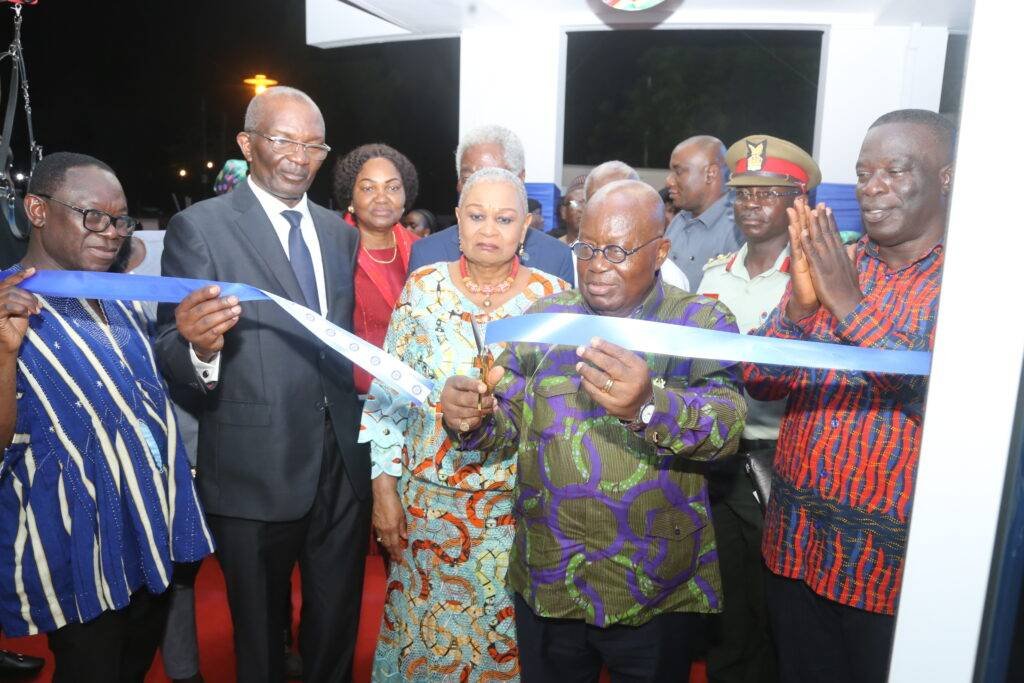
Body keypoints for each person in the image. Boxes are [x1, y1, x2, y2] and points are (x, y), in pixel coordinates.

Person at [439, 179, 746, 681]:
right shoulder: (546, 320)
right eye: (586, 247)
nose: (598, 264)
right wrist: (473, 419)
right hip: (552, 574)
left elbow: (727, 428)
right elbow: (506, 424)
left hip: (653, 584)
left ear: (661, 251)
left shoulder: (698, 323)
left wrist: (650, 406)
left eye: (618, 250)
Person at [155, 86, 369, 683]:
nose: (299, 156)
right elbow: (166, 347)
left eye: (313, 144)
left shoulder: (339, 234)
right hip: (253, 468)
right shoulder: (199, 228)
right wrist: (199, 345)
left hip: (342, 463)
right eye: (282, 139)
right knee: (259, 641)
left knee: (336, 623)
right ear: (248, 144)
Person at [742, 109, 955, 683]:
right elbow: (759, 379)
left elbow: (940, 403)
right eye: (863, 172)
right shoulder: (839, 258)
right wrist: (802, 308)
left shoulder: (969, 284)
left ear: (946, 178)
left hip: (888, 573)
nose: (873, 186)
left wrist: (849, 305)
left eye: (894, 170)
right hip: (795, 546)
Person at [0, 152, 214, 681]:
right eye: (92, 215)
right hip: (78, 544)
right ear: (37, 209)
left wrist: (194, 344)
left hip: (152, 528)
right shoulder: (5, 301)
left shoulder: (118, 297)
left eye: (120, 219)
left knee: (132, 669)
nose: (111, 232)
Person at [364, 167, 570, 681]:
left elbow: (562, 417)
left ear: (527, 227)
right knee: (425, 644)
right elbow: (387, 399)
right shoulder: (423, 288)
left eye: (504, 219)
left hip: (516, 514)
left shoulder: (555, 300)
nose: (489, 230)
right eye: (476, 216)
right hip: (427, 509)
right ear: (457, 220)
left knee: (505, 651)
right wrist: (383, 491)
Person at [697, 135, 821, 683]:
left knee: (778, 606)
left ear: (798, 202)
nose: (750, 205)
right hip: (719, 460)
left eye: (767, 194)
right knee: (725, 602)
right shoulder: (715, 274)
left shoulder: (815, 279)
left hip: (784, 460)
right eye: (743, 193)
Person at [408, 124, 575, 284]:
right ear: (458, 182)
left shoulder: (556, 258)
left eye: (495, 177)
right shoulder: (426, 255)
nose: (482, 188)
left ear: (521, 179)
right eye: (469, 179)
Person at [332, 143, 420, 395]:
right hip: (351, 398)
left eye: (392, 187)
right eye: (368, 188)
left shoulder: (424, 252)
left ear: (405, 197)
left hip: (415, 399)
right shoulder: (331, 250)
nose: (382, 197)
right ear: (351, 198)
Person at [583, 161, 690, 292]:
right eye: (597, 201)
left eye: (620, 202)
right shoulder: (565, 263)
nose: (598, 265)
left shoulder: (670, 278)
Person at [664, 135, 744, 289]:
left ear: (711, 173)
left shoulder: (738, 229)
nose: (669, 181)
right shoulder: (679, 220)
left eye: (678, 171)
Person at [556, 176, 585, 244]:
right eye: (575, 204)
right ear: (563, 212)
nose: (582, 209)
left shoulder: (606, 251)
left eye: (589, 204)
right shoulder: (552, 249)